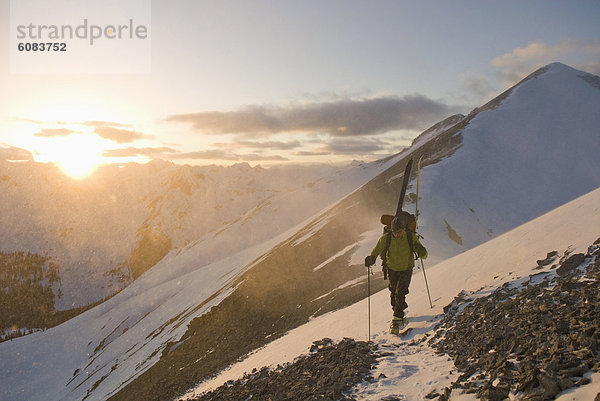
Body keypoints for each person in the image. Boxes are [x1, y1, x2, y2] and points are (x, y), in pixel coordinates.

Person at [365, 215, 427, 334]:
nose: (397, 234)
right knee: (393, 291)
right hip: (392, 268)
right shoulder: (387, 238)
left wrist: (422, 253)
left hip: (406, 269)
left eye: (399, 232)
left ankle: (397, 319)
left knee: (400, 291)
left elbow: (422, 252)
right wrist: (371, 258)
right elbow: (378, 248)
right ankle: (397, 312)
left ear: (404, 229)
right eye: (394, 232)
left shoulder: (410, 237)